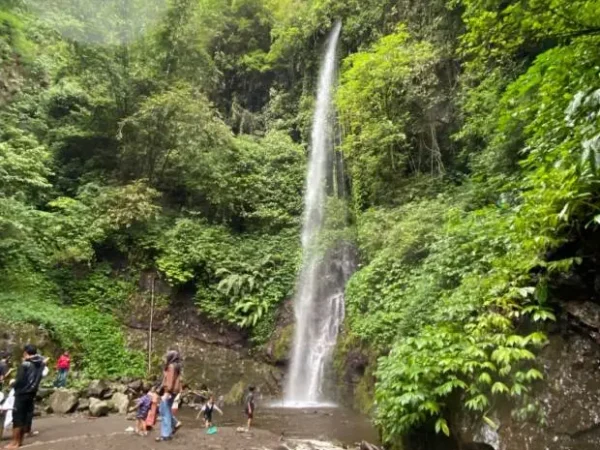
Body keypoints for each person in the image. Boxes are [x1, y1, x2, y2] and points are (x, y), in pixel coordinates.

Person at [5, 344, 45, 449]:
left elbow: (19, 381)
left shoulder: (25, 364)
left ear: (26, 352)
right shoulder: (41, 364)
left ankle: (14, 443)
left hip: (22, 393)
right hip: (32, 393)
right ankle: (20, 441)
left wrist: (12, 383)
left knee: (17, 418)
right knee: (24, 417)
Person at [156, 350, 182, 442]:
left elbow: (170, 381)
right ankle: (175, 423)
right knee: (164, 410)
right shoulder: (177, 366)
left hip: (170, 391)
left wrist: (167, 392)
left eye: (167, 356)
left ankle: (166, 435)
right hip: (174, 391)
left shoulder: (171, 367)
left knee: (164, 412)